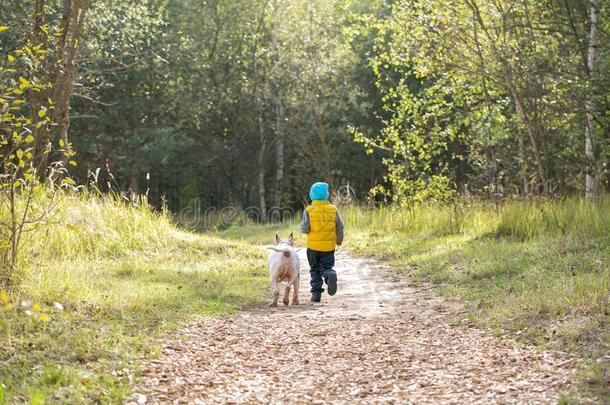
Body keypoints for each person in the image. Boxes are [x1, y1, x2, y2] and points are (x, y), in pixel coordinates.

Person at [300, 182, 344, 303]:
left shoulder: (308, 210)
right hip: (328, 248)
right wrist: (339, 240)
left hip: (313, 248)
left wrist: (305, 229)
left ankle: (316, 294)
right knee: (326, 267)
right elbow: (340, 227)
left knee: (314, 270)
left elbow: (305, 228)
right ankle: (329, 274)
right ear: (326, 195)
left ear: (311, 195)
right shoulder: (333, 209)